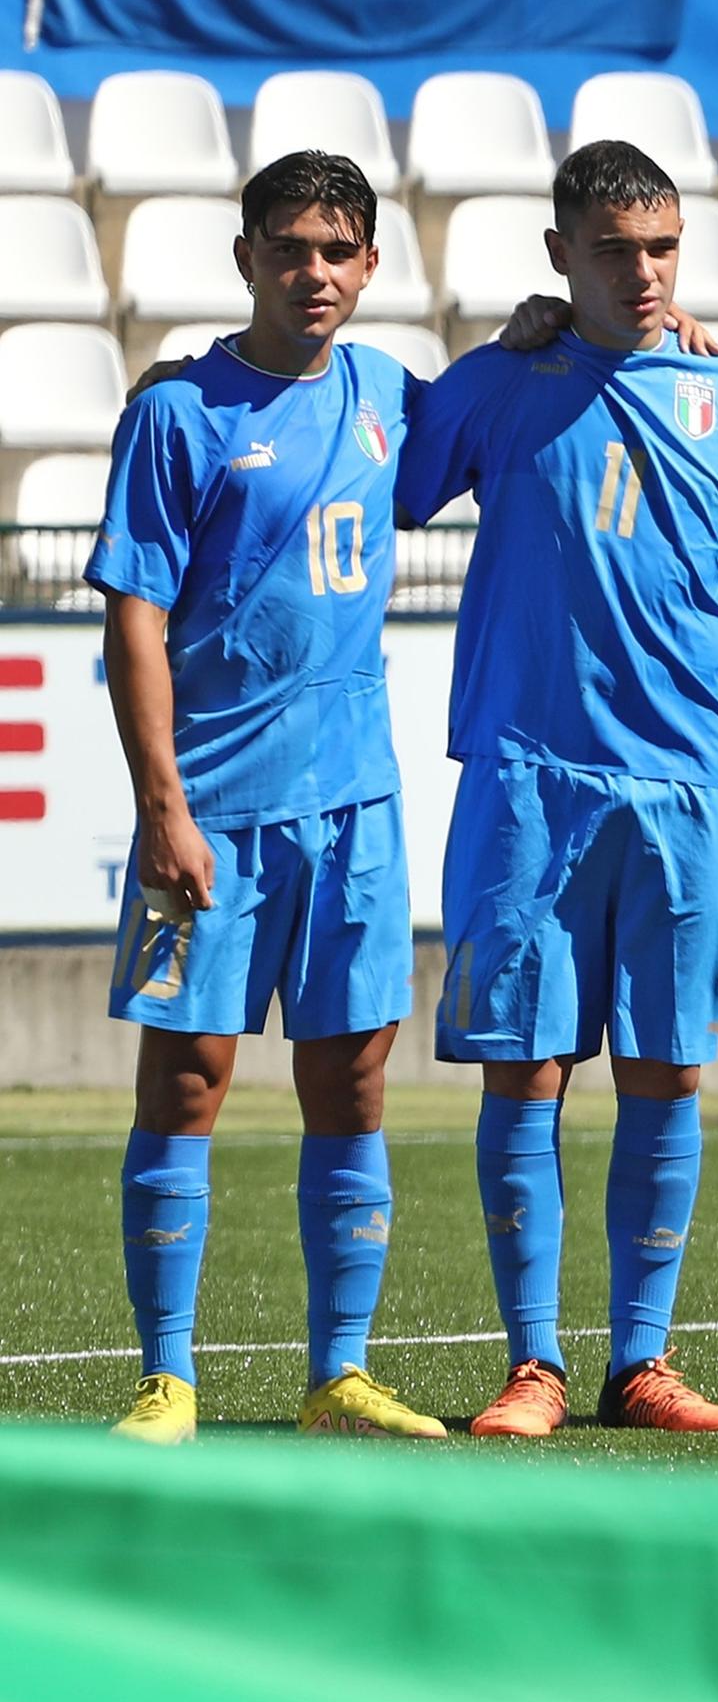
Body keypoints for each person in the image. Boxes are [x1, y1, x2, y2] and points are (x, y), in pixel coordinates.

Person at [395, 141, 718, 1436]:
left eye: (663, 247)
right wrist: (193, 383)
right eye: (614, 250)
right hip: (530, 777)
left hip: (683, 779)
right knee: (529, 1071)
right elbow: (359, 454)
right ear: (561, 254)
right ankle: (535, 1363)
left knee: (667, 1072)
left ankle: (643, 1362)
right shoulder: (502, 386)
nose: (642, 272)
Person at [92, 151, 435, 1442]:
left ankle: (337, 1374)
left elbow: (509, 417)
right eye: (291, 248)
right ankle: (167, 1376)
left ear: (370, 267)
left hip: (355, 814)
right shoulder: (179, 415)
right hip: (213, 815)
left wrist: (556, 325)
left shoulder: (391, 393)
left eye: (339, 251)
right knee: (188, 1079)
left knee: (351, 1079)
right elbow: (132, 618)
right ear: (247, 260)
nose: (315, 272)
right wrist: (164, 806)